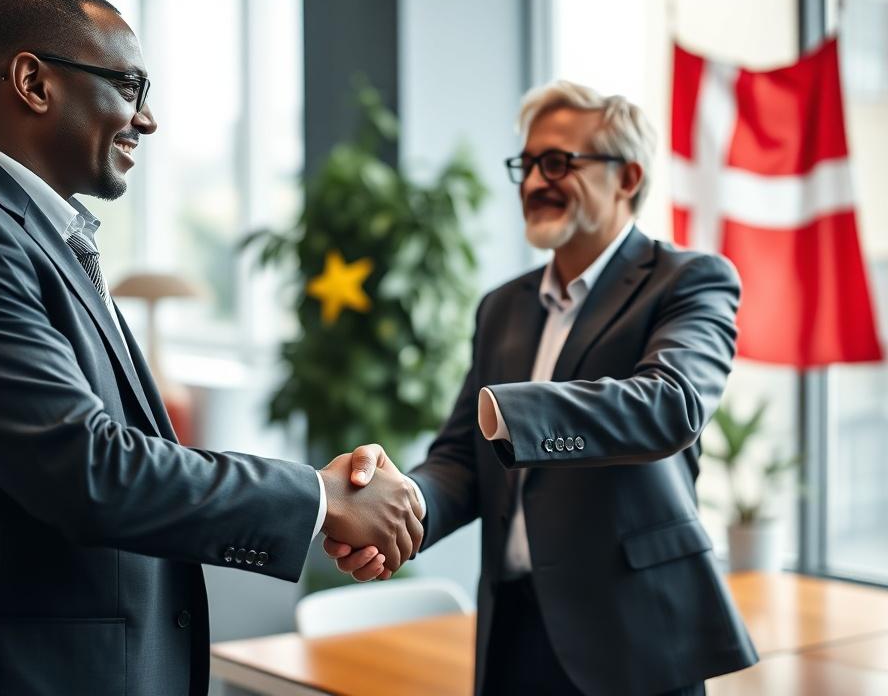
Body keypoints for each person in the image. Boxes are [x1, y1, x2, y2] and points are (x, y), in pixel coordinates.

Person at [0, 0, 422, 696]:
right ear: (33, 82)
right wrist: (318, 499)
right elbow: (87, 467)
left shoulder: (32, 233)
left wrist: (327, 498)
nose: (147, 119)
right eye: (129, 85)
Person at [325, 81, 759, 695]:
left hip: (634, 634)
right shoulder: (503, 306)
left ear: (629, 176)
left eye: (556, 162)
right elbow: (461, 460)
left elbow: (672, 405)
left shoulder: (689, 280)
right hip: (514, 631)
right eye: (525, 164)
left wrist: (515, 412)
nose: (533, 182)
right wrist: (399, 511)